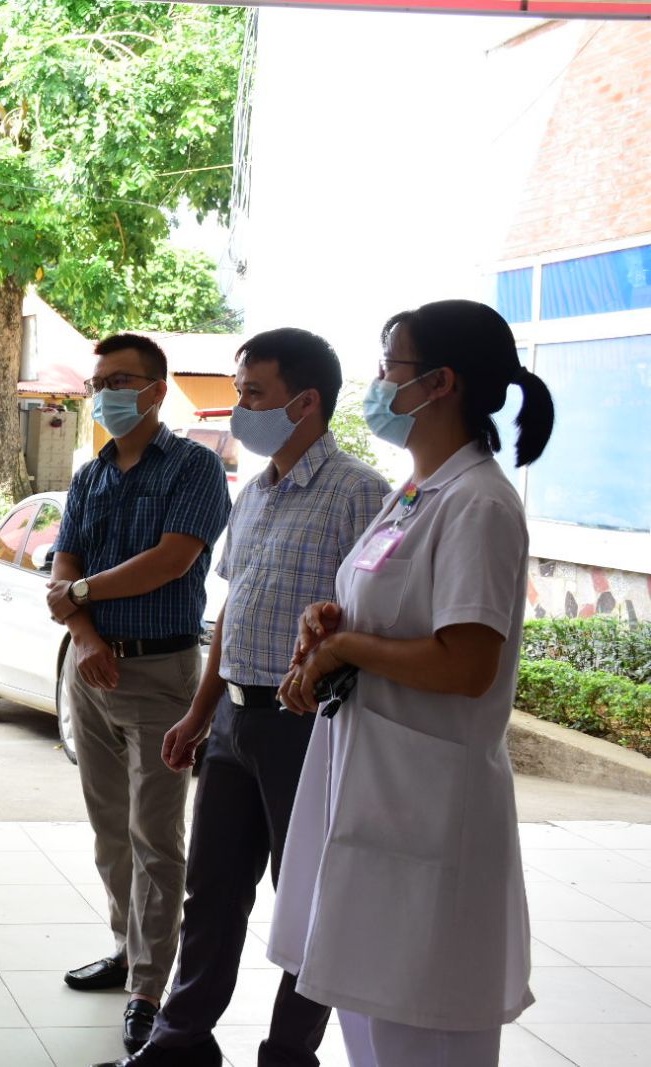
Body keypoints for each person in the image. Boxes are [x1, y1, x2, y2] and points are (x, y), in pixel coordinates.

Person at [271, 299, 552, 1067]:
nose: (379, 383)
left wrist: (346, 648)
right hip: (372, 791)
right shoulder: (418, 490)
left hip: (429, 805)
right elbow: (394, 608)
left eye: (390, 366)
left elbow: (467, 662)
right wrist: (332, 622)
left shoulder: (479, 503)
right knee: (369, 1015)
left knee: (423, 1031)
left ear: (440, 382)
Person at [110, 329, 389, 1067]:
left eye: (253, 394)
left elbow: (371, 622)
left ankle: (288, 1054)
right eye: (239, 393)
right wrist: (200, 712)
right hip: (234, 720)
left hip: (309, 727)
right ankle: (180, 1043)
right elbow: (234, 609)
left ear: (306, 402)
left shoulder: (359, 494)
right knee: (211, 892)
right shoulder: (257, 492)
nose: (240, 409)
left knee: (307, 901)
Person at [47, 333, 232, 1055]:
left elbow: (171, 561)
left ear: (157, 390)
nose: (106, 394)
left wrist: (80, 595)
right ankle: (127, 951)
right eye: (99, 382)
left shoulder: (193, 467)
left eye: (121, 381)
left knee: (156, 836)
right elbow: (63, 567)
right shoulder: (91, 473)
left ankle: (150, 990)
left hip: (159, 674)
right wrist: (86, 635)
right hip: (90, 668)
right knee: (109, 829)